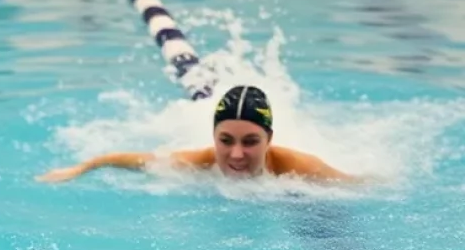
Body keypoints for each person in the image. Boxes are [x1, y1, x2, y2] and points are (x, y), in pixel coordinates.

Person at [36, 85, 355, 184]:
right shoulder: (200, 161)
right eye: (226, 140)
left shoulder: (298, 168)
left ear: (269, 140)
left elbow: (364, 188)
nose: (236, 154)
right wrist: (82, 167)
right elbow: (135, 160)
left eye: (251, 141)